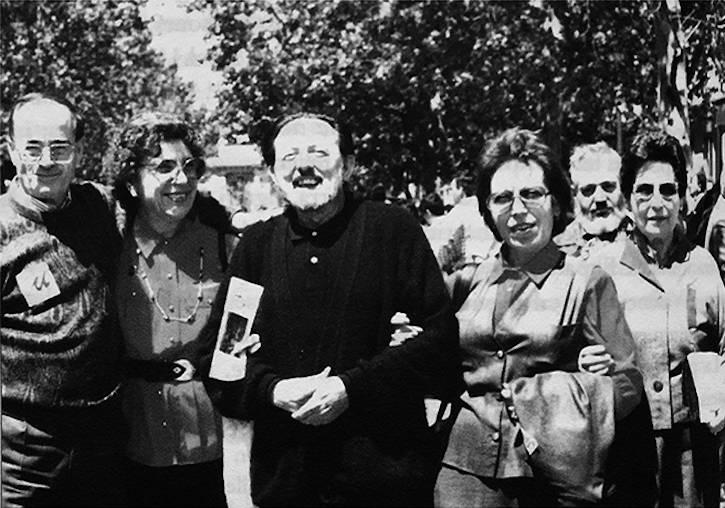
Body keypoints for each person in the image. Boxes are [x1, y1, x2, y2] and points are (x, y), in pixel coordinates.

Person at [199, 112, 459, 506]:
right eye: (289, 157)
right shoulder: (256, 247)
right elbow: (221, 360)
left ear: (349, 164)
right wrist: (274, 390)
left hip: (385, 482)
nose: (304, 166)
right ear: (272, 173)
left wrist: (350, 388)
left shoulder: (393, 231)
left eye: (319, 152)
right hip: (287, 485)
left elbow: (440, 342)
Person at [435, 127, 643, 507]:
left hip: (551, 477)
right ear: (486, 208)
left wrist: (583, 388)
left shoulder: (587, 281)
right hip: (464, 475)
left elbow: (628, 382)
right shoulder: (466, 281)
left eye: (532, 194)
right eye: (502, 198)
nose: (518, 210)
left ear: (556, 202)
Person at [580, 128, 725, 507]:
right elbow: (575, 354)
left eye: (667, 190)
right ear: (628, 200)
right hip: (627, 450)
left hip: (694, 452)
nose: (656, 203)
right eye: (644, 191)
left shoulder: (704, 265)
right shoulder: (602, 269)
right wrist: (586, 363)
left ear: (683, 197)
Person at [1, 93, 125, 506]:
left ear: (79, 151)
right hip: (22, 447)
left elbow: (166, 202)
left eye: (59, 147)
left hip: (103, 436)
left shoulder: (102, 206)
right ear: (11, 150)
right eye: (32, 148)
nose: (46, 161)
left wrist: (229, 221)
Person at [108, 113, 232, 507]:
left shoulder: (221, 242)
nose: (181, 179)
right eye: (164, 167)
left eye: (189, 166)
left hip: (208, 438)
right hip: (130, 436)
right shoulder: (111, 243)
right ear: (131, 179)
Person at [555, 141, 631, 257]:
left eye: (608, 187)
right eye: (588, 190)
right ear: (574, 195)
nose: (600, 199)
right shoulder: (559, 249)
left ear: (622, 187)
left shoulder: (646, 234)